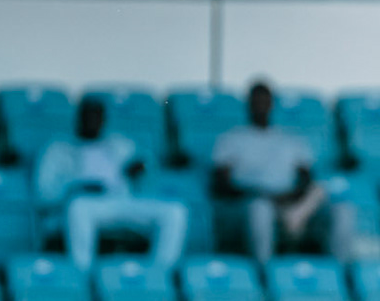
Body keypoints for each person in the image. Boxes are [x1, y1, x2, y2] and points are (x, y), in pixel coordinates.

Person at [35, 98, 188, 270]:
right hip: (86, 202)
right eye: (88, 117)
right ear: (78, 118)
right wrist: (76, 188)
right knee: (78, 207)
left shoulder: (119, 144)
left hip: (121, 200)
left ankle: (161, 272)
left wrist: (139, 169)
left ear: (104, 120)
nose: (92, 122)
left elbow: (147, 165)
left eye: (97, 117)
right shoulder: (58, 149)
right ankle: (83, 272)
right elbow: (44, 193)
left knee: (175, 211)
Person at [210, 82, 352, 264]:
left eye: (265, 101)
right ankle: (263, 270)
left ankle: (341, 272)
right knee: (260, 208)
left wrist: (289, 198)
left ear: (272, 104)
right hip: (250, 202)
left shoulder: (291, 140)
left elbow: (306, 180)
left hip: (289, 203)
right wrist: (261, 195)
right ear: (248, 104)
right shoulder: (231, 139)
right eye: (256, 102)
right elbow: (221, 185)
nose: (260, 106)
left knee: (342, 207)